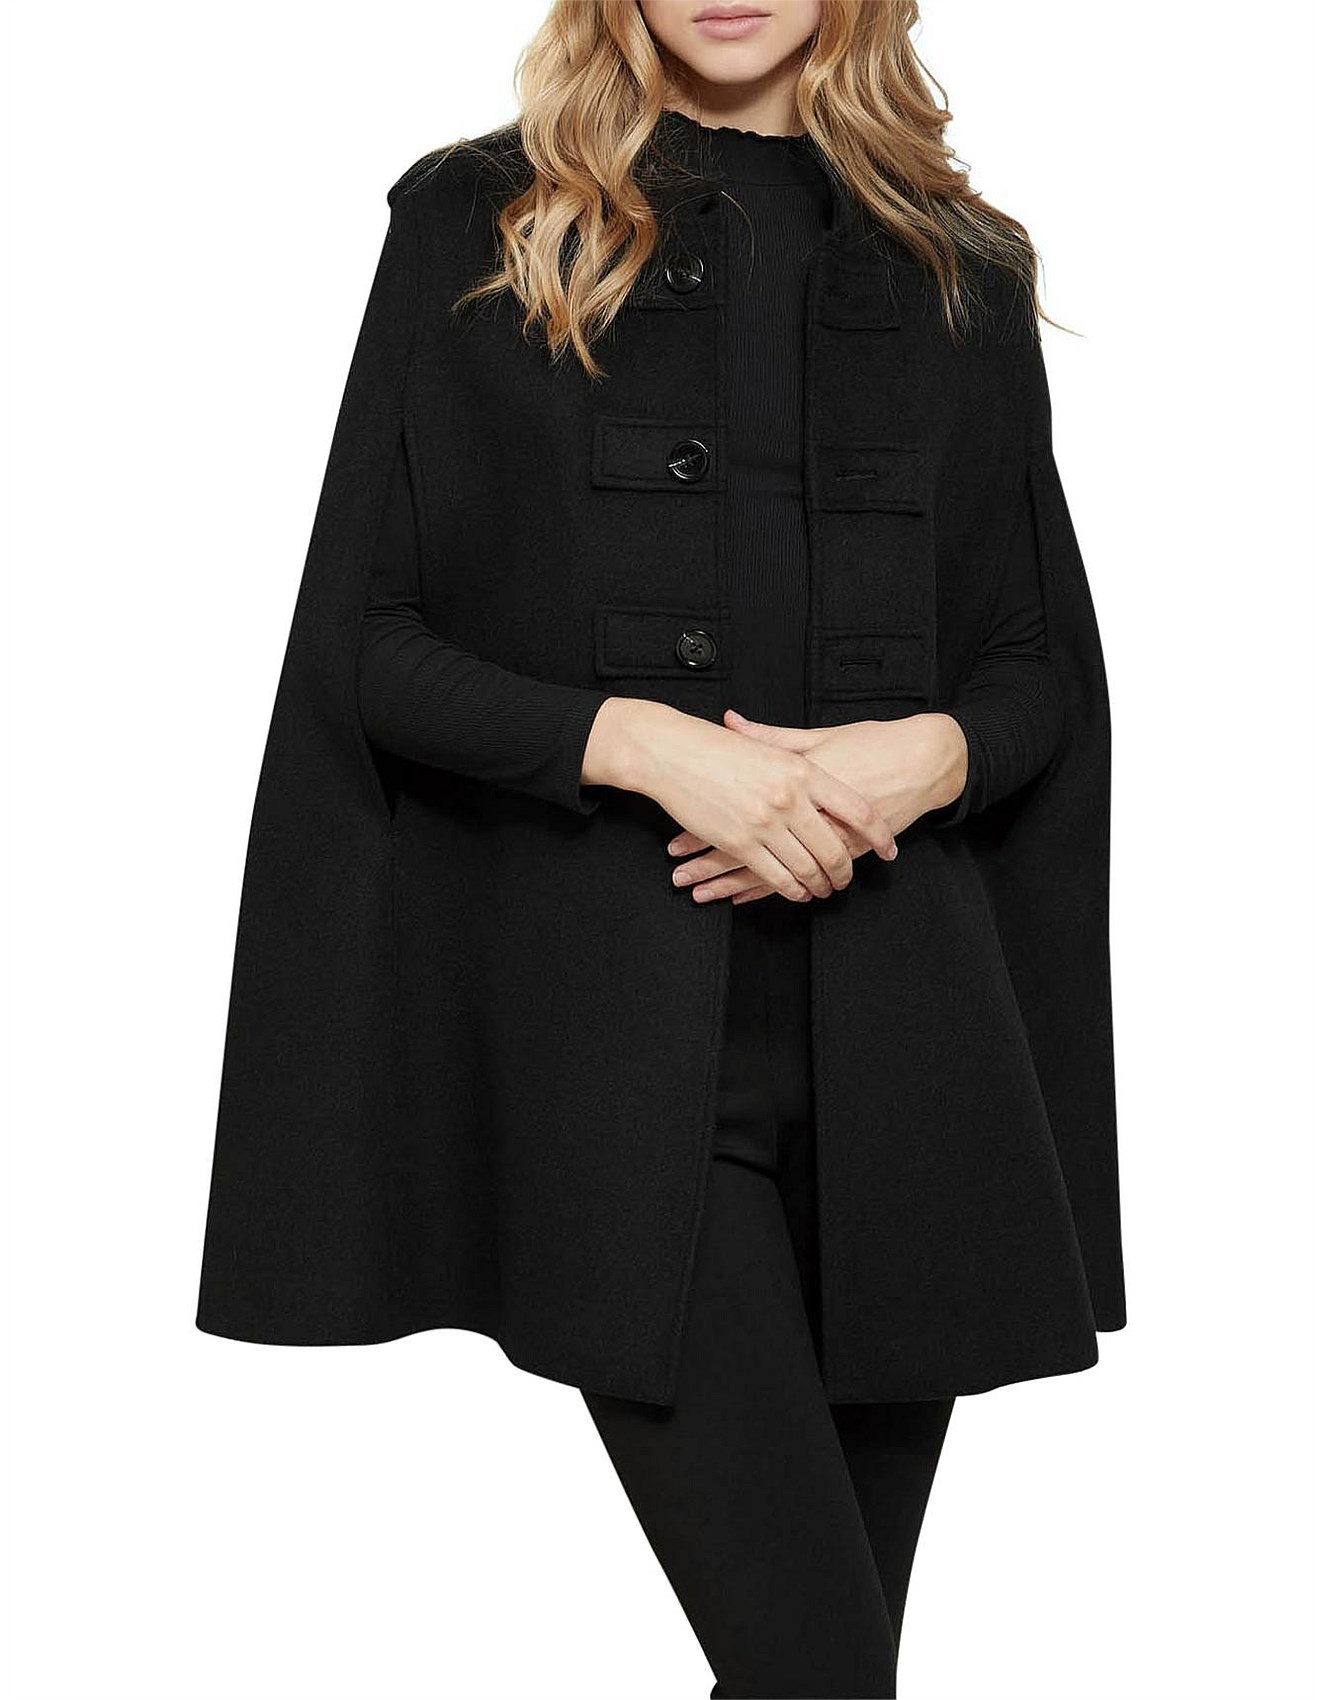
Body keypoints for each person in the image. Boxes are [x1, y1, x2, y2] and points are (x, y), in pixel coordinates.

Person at [196, 4, 1126, 1696]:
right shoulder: (481, 221)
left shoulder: (961, 260)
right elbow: (370, 645)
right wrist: (642, 744)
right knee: (817, 1668)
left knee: (824, 1676)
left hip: (909, 1058)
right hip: (617, 1065)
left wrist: (930, 756)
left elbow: (1031, 659)